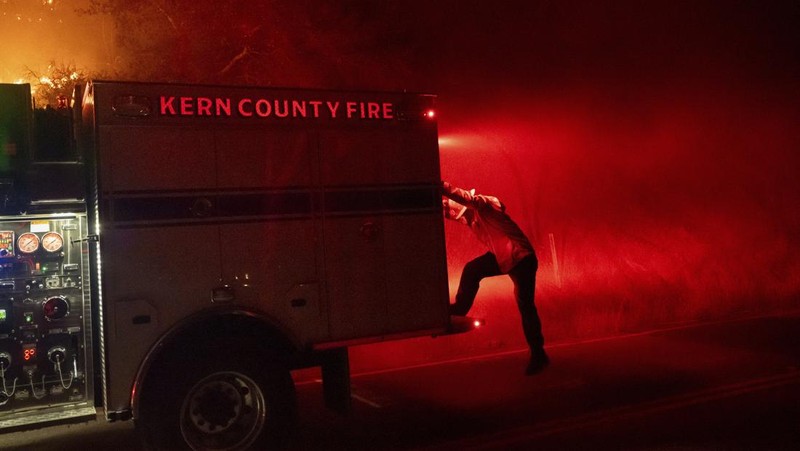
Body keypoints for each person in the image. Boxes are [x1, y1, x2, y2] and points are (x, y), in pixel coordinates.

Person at [442, 180, 548, 375]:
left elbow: (465, 198)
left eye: (461, 216)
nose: (460, 220)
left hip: (520, 257)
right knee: (473, 270)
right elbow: (450, 210)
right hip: (507, 258)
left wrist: (441, 186)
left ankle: (538, 354)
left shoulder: (484, 205)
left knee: (526, 306)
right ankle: (457, 311)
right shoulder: (475, 221)